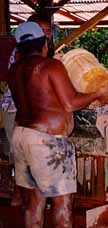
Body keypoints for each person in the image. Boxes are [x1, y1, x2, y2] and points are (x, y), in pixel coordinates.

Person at [8, 21, 108, 228]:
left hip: (22, 136)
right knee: (62, 203)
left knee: (34, 202)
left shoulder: (14, 70)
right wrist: (97, 92)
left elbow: (41, 99)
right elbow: (70, 103)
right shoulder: (51, 66)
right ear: (44, 43)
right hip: (47, 143)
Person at [0, 14, 54, 206]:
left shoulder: (40, 54)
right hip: (15, 110)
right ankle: (20, 196)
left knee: (29, 157)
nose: (47, 34)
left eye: (49, 30)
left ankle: (29, 197)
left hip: (26, 111)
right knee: (21, 157)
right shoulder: (23, 53)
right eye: (43, 30)